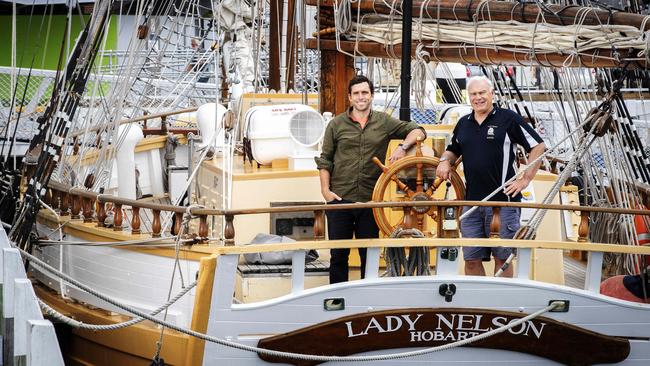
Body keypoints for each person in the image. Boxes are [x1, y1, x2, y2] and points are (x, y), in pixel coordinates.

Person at [315, 75, 426, 284]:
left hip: (371, 200)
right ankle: (339, 301)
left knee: (370, 255)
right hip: (340, 199)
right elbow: (325, 160)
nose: (361, 97)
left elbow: (418, 131)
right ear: (349, 97)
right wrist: (326, 192)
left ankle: (368, 300)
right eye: (356, 93)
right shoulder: (336, 125)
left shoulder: (384, 121)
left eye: (365, 92)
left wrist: (403, 147)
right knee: (339, 256)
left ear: (372, 95)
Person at [436, 76, 546, 277]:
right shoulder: (463, 123)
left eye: (482, 93)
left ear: (492, 94)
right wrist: (444, 160)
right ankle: (477, 306)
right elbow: (453, 150)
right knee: (471, 259)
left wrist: (525, 179)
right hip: (471, 203)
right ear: (469, 97)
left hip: (504, 202)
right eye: (473, 94)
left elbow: (538, 145)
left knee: (502, 258)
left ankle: (498, 305)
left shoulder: (508, 119)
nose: (478, 98)